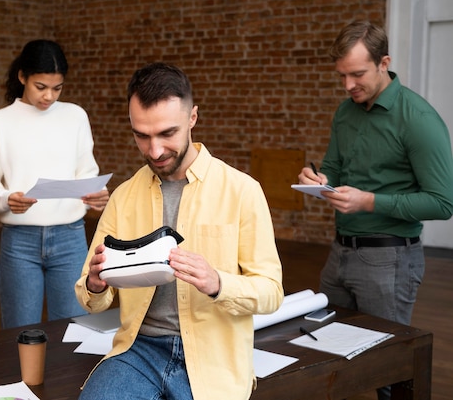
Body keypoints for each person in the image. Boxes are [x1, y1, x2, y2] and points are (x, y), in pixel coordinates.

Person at [75, 63, 284, 400]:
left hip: (213, 356)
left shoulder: (242, 191)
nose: (154, 151)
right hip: (138, 350)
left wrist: (218, 283)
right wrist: (96, 284)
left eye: (167, 134)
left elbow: (272, 292)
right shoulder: (124, 197)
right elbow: (90, 299)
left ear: (192, 118)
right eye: (141, 136)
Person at [298, 20, 453, 400]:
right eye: (342, 75)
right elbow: (333, 164)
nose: (348, 85)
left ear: (384, 62)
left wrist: (368, 201)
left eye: (357, 74)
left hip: (391, 261)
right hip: (340, 254)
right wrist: (320, 179)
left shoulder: (418, 119)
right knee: (322, 350)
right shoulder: (345, 112)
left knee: (387, 371)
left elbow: (443, 202)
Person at [0, 39, 109, 329]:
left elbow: (86, 170)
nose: (49, 96)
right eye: (40, 87)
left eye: (57, 88)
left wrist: (95, 194)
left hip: (70, 237)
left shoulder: (75, 116)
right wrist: (7, 198)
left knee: (74, 329)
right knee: (20, 332)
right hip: (19, 242)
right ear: (22, 77)